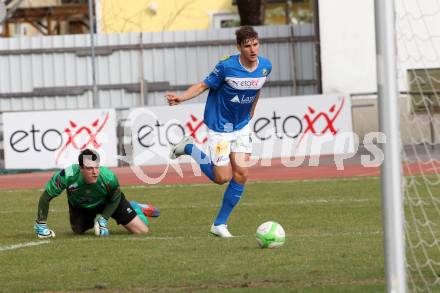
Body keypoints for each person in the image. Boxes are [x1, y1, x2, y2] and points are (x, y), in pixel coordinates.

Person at [166, 26, 272, 237]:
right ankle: (188, 147)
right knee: (221, 178)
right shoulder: (226, 67)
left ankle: (219, 224)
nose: (252, 49)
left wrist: (251, 112)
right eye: (247, 45)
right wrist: (181, 98)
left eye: (255, 44)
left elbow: (257, 89)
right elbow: (203, 86)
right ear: (239, 47)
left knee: (242, 174)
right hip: (220, 127)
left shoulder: (266, 67)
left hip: (241, 127)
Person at [34, 148, 160, 238]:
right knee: (77, 231)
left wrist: (104, 220)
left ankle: (135, 208)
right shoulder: (67, 175)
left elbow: (115, 198)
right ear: (81, 168)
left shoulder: (108, 177)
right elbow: (46, 197)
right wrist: (41, 224)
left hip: (108, 202)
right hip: (81, 207)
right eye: (89, 168)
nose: (95, 172)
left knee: (142, 230)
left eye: (97, 167)